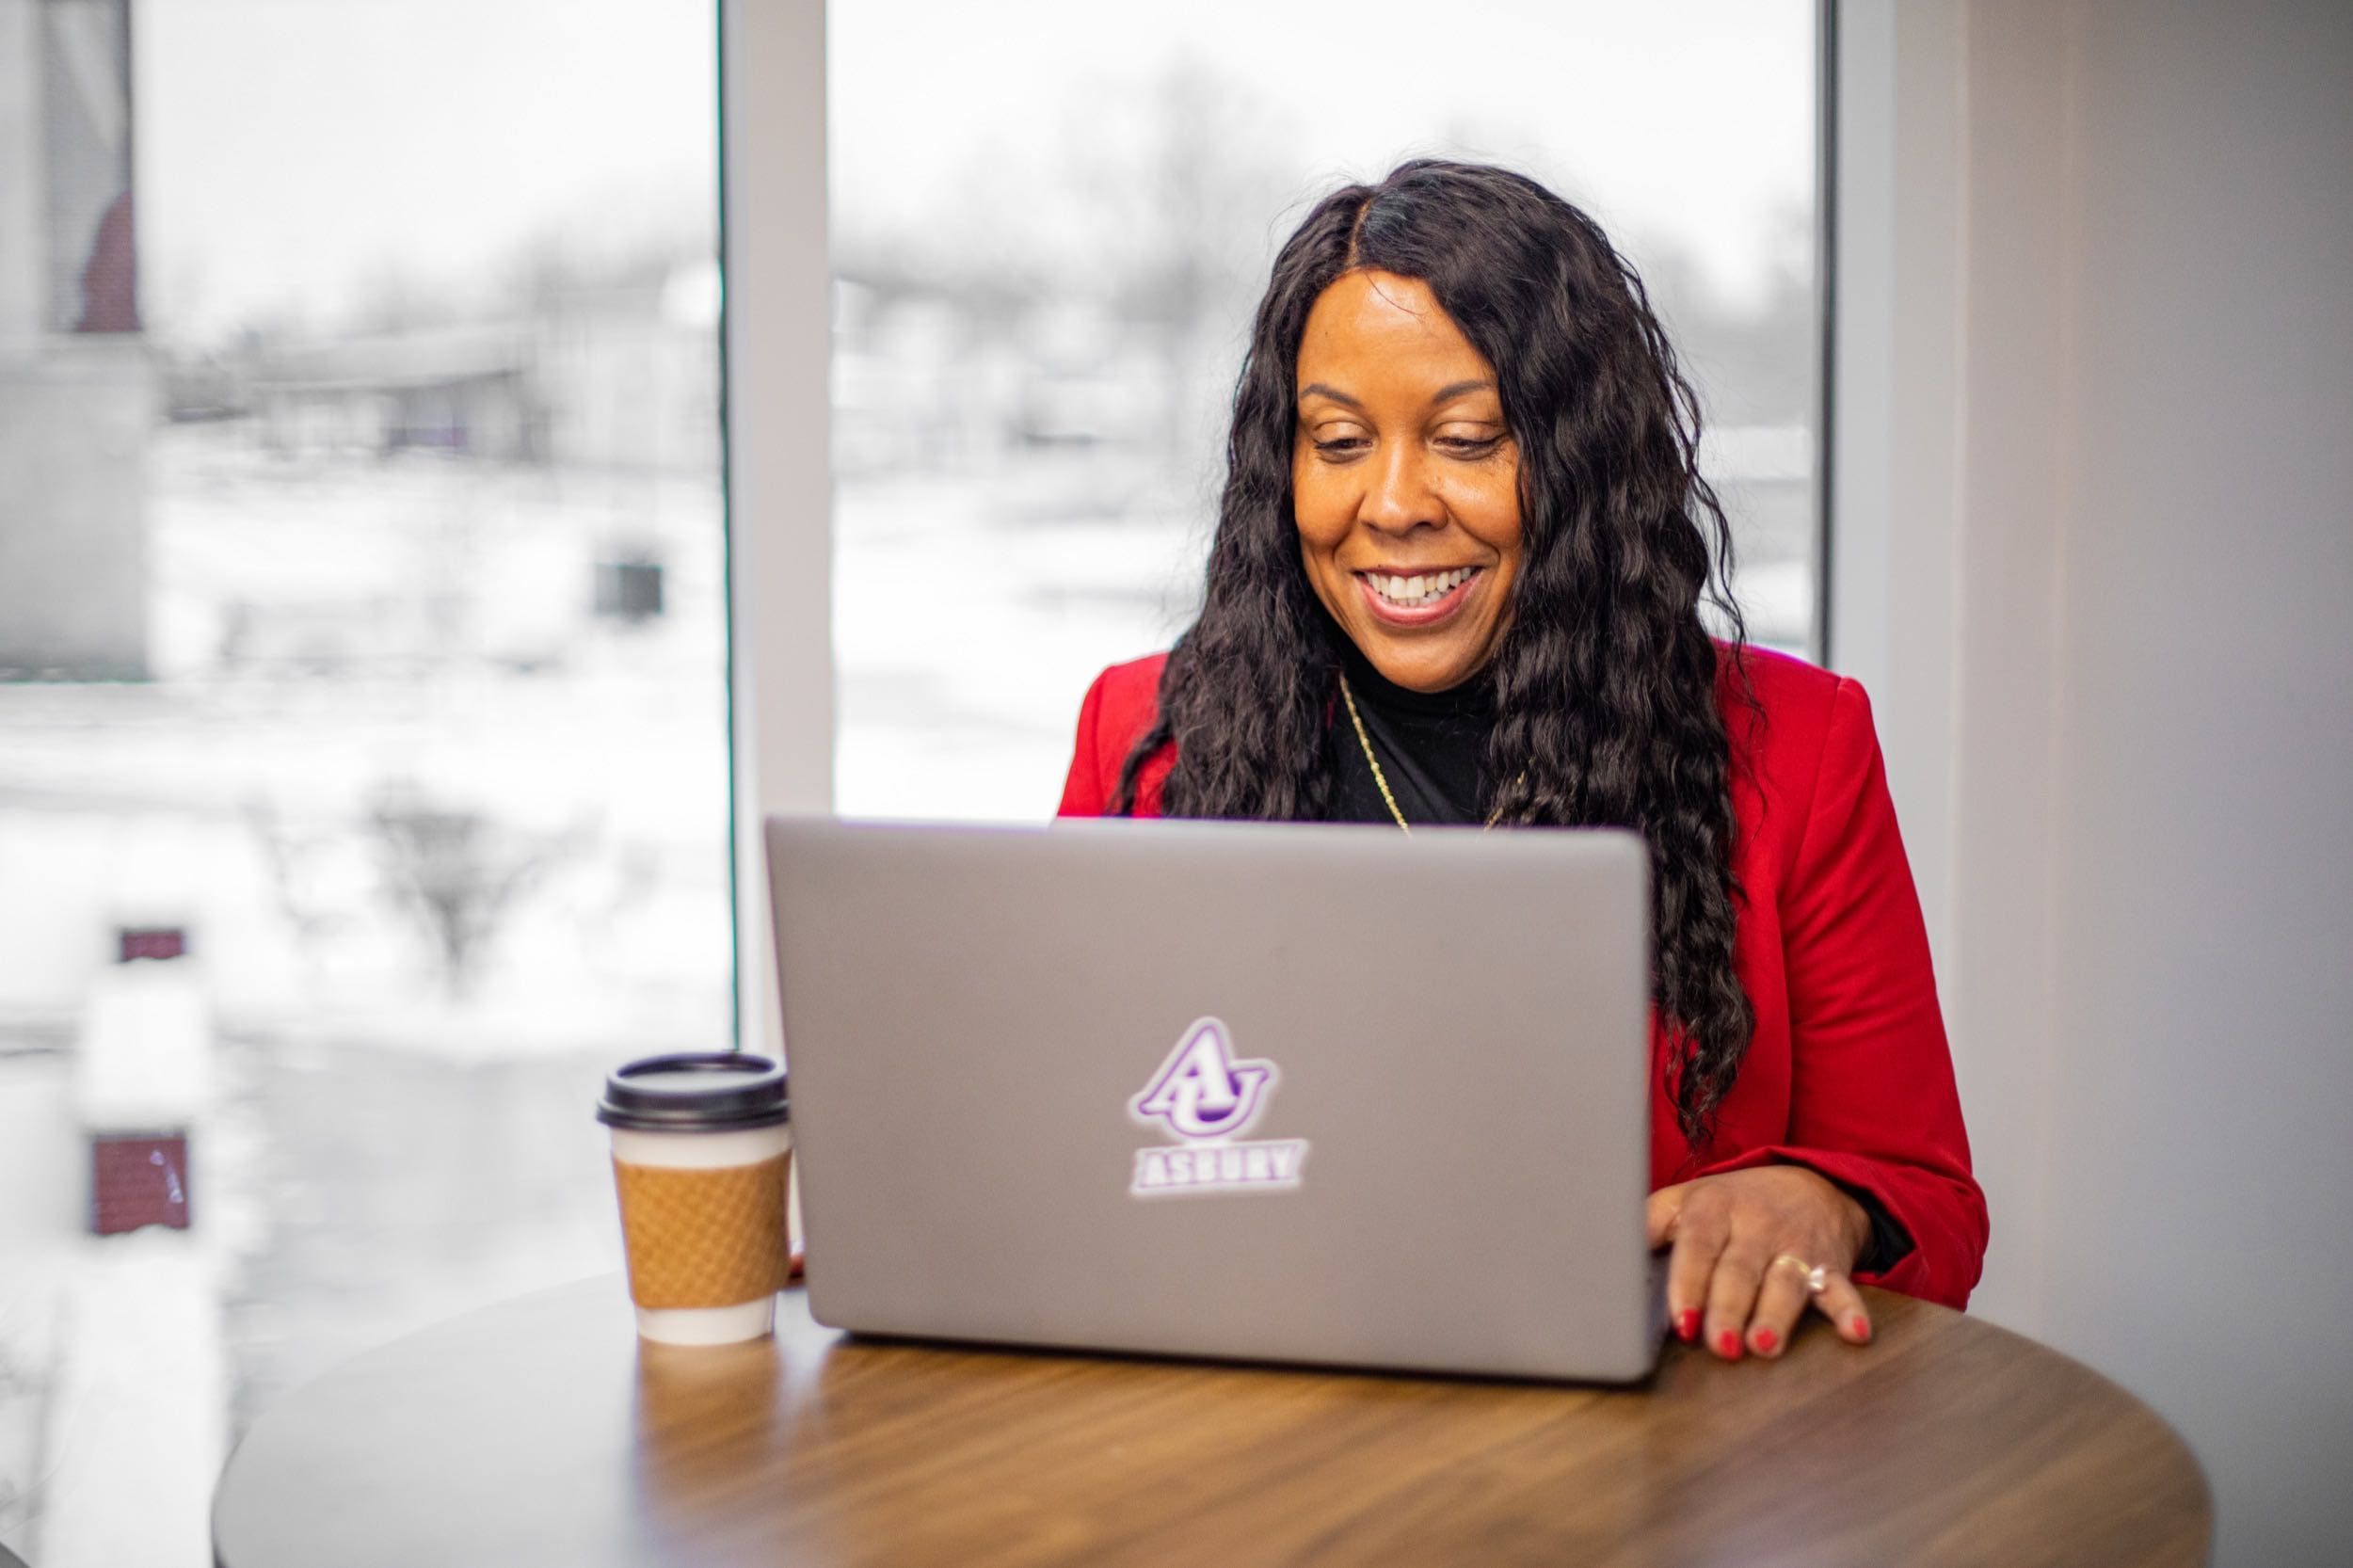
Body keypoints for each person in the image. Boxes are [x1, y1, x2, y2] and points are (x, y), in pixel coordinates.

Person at [1057, 160, 1986, 1363]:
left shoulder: (1800, 750)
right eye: (1337, 440)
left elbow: (1932, 1205)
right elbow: (1070, 1130)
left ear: (1582, 459)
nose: (1390, 504)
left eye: (1464, 439)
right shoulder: (1145, 736)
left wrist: (1825, 1201)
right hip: (1238, 1414)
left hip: (1644, 1465)